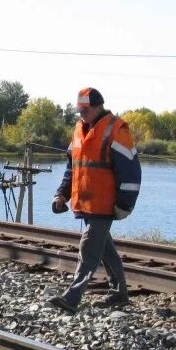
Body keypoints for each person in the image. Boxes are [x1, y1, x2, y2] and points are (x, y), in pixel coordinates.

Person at [48, 87, 141, 312]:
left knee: (88, 248)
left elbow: (131, 173)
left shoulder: (116, 130)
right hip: (87, 204)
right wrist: (62, 194)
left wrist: (124, 204)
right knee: (105, 249)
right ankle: (119, 294)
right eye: (79, 110)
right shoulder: (79, 130)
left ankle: (71, 298)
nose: (81, 114)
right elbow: (73, 168)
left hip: (105, 205)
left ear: (99, 106)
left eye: (85, 110)